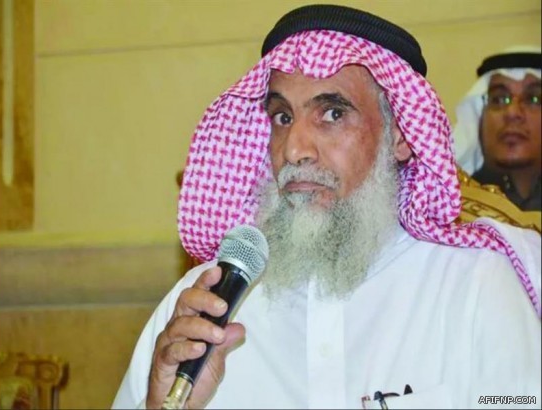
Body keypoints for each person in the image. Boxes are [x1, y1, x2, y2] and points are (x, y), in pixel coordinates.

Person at [113, 5, 541, 409]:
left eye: (333, 113)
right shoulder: (201, 310)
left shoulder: (474, 287)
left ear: (400, 136)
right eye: (283, 117)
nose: (294, 149)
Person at [452, 46, 541, 211]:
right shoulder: (450, 204)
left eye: (534, 99)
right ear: (479, 117)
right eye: (499, 99)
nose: (512, 113)